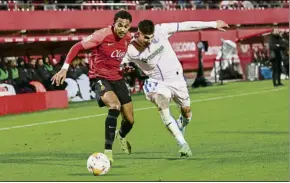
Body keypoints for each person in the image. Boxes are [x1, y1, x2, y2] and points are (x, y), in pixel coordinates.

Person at [121, 19, 229, 157]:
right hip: (156, 82)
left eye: (151, 37)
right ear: (139, 33)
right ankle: (182, 144)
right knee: (162, 105)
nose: (149, 40)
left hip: (177, 80)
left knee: (187, 114)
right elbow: (118, 63)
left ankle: (180, 125)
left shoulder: (161, 30)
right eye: (146, 37)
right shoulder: (131, 49)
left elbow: (185, 25)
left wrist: (213, 24)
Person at [51, 10, 134, 163]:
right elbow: (77, 47)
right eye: (120, 25)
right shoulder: (102, 35)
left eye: (126, 26)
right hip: (99, 77)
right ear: (114, 23)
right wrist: (64, 68)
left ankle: (120, 135)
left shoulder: (129, 38)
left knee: (129, 121)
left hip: (118, 79)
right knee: (114, 106)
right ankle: (108, 151)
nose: (123, 29)